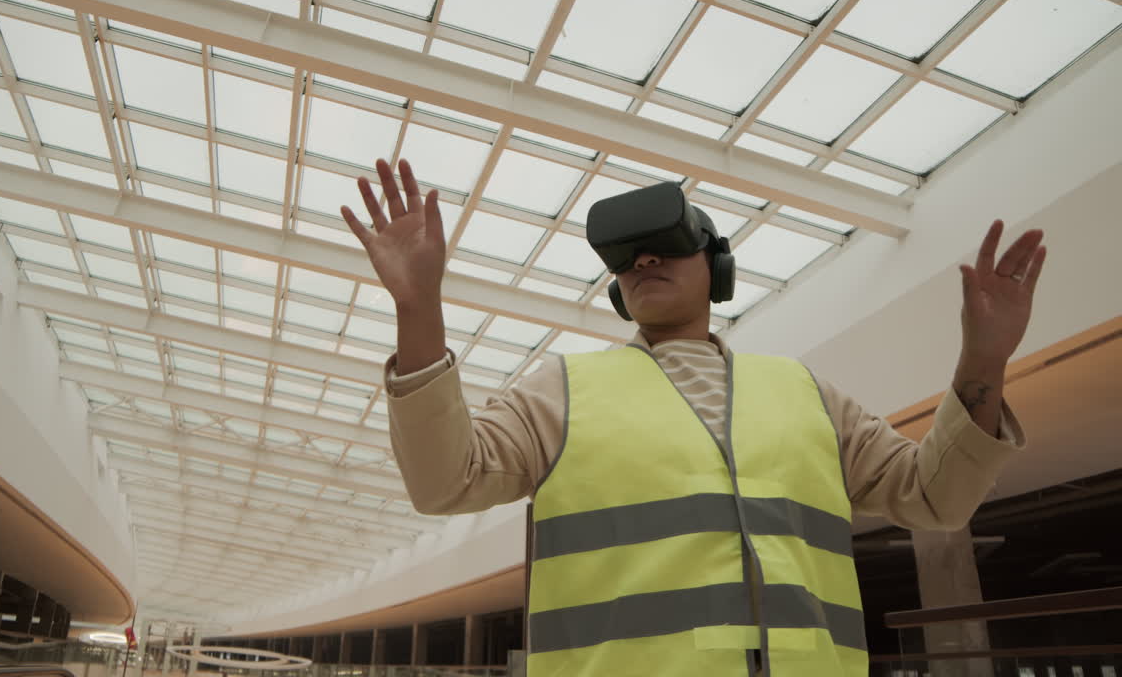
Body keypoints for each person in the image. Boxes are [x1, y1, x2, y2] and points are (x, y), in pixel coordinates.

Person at [340, 158, 1044, 677]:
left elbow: (937, 497)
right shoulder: (561, 391)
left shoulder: (806, 393)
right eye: (624, 256)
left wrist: (984, 360)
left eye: (668, 244)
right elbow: (444, 482)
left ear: (719, 268)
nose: (643, 259)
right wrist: (418, 309)